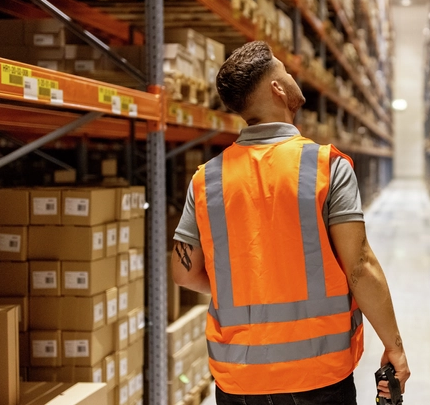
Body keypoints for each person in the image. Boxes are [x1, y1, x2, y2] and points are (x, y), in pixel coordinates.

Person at [171, 41, 410, 404]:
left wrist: (249, 292)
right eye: (284, 70)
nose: (291, 76)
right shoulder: (326, 167)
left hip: (239, 381)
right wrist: (394, 346)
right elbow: (360, 266)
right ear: (277, 89)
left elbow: (184, 273)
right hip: (317, 376)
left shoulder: (207, 179)